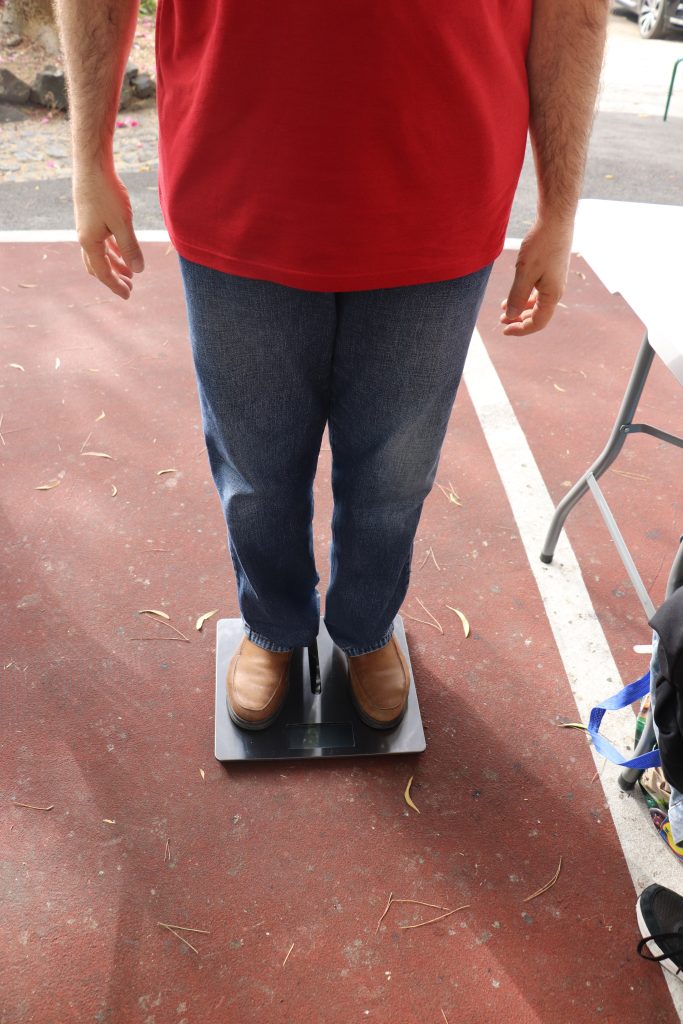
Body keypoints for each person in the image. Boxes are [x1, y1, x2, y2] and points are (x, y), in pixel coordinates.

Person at [55, 0, 609, 731]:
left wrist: (559, 209)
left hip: (441, 191)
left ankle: (365, 626)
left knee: (395, 476)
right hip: (235, 180)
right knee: (254, 473)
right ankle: (275, 625)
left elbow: (573, 10)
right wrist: (87, 160)